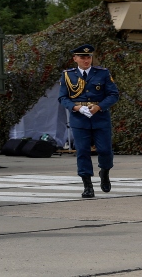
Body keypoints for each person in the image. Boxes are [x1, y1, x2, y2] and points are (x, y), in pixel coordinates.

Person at [57, 44, 119, 198]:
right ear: (75, 59)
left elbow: (113, 94)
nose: (86, 60)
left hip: (100, 116)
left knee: (105, 150)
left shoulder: (102, 73)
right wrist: (76, 108)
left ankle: (104, 172)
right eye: (83, 57)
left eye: (88, 57)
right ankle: (87, 185)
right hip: (79, 118)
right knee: (83, 151)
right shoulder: (67, 75)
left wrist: (99, 107)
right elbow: (62, 97)